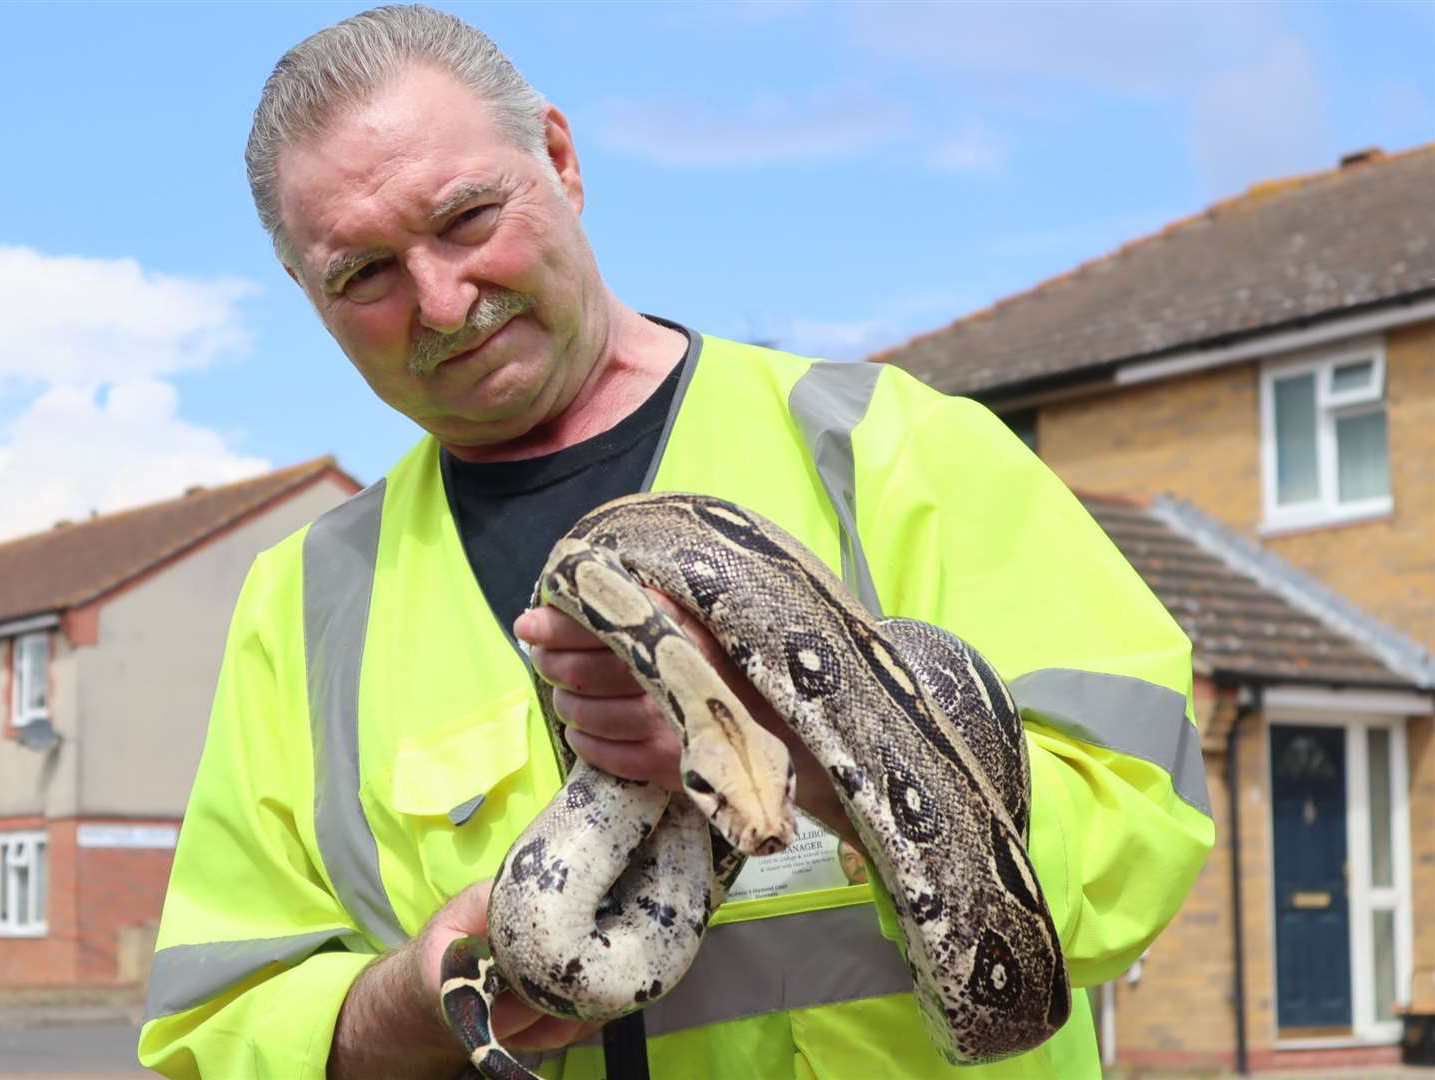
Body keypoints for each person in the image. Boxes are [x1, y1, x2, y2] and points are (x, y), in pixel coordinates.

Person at [137, 7, 1214, 1078]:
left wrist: (813, 761)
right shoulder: (309, 601)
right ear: (306, 297)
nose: (441, 298)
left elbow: (1140, 839)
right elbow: (214, 1032)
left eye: (467, 218)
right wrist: (420, 1001)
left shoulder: (891, 450)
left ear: (558, 159)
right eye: (364, 273)